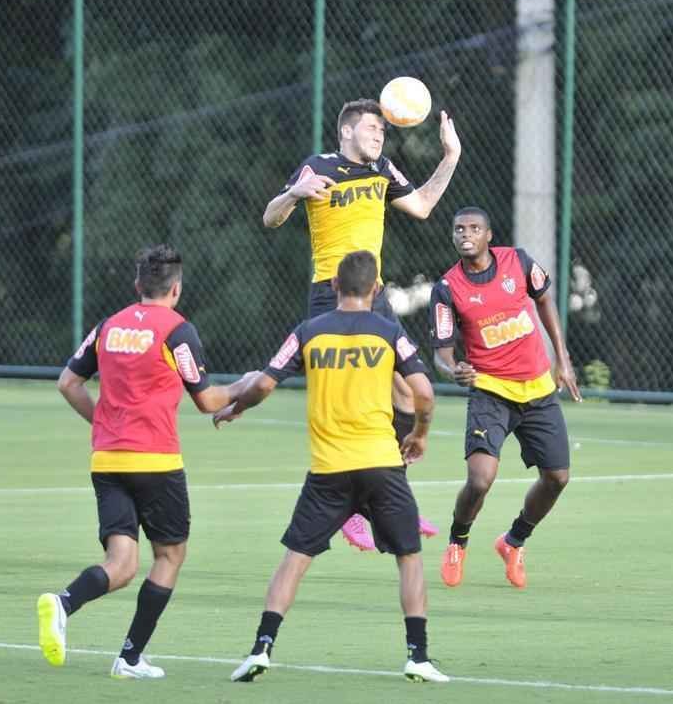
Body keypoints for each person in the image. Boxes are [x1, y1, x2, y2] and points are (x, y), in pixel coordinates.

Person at [214, 250, 448, 684]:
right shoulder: (389, 331)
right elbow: (424, 393)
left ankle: (261, 648)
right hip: (382, 464)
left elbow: (263, 383)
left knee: (295, 559)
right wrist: (420, 433)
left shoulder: (308, 331)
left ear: (335, 286)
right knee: (409, 557)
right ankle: (418, 656)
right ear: (375, 289)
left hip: (328, 470)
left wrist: (237, 407)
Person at [263, 98, 461, 550]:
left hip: (375, 296)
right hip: (330, 295)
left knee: (406, 393)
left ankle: (387, 499)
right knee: (346, 402)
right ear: (347, 131)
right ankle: (352, 507)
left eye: (382, 131)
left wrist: (451, 156)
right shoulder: (318, 166)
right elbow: (270, 217)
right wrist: (295, 193)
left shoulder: (383, 170)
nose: (379, 136)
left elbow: (423, 206)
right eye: (372, 128)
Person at [40, 244, 244, 678]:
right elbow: (208, 400)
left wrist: (102, 423)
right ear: (176, 289)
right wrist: (244, 386)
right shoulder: (177, 330)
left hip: (107, 461)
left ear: (138, 285)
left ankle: (63, 603)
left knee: (122, 564)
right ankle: (129, 657)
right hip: (155, 462)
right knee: (169, 556)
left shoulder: (108, 326)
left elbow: (68, 382)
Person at [428, 207, 582, 590]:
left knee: (558, 477)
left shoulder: (519, 261)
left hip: (538, 387)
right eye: (459, 229)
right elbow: (441, 352)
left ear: (488, 236)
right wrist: (453, 369)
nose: (466, 234)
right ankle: (457, 542)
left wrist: (562, 360)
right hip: (490, 391)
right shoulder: (447, 288)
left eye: (474, 228)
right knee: (480, 480)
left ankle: (514, 541)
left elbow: (545, 300)